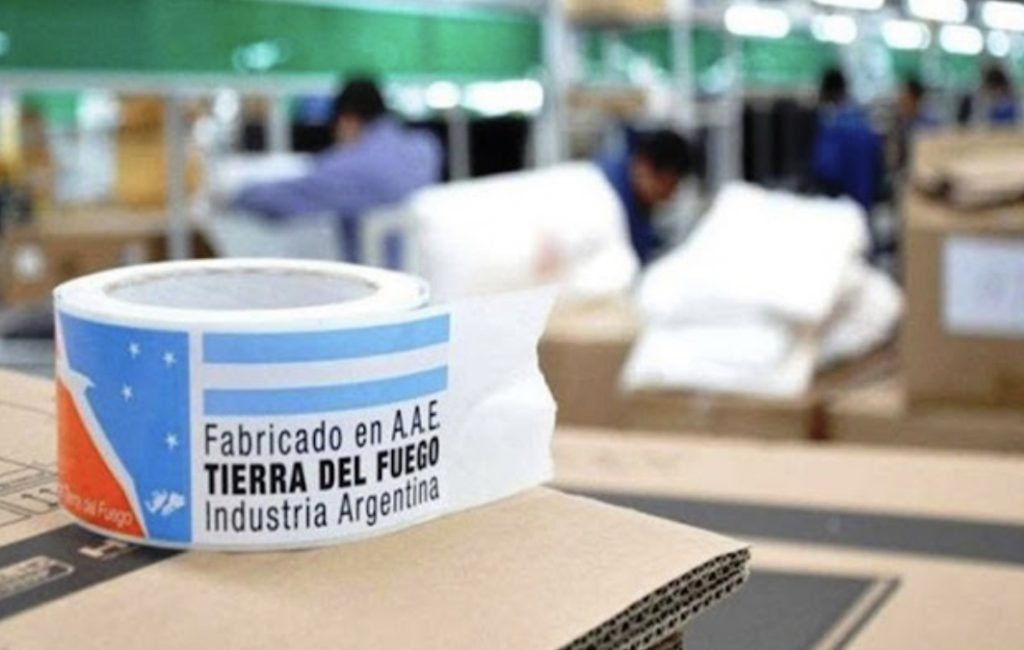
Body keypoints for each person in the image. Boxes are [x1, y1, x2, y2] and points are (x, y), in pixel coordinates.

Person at [233, 77, 442, 262]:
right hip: (423, 278)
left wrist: (234, 192)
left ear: (347, 120)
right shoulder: (425, 147)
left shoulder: (351, 167)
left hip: (374, 282)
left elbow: (278, 201)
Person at [597, 128, 691, 265]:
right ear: (645, 166)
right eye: (668, 185)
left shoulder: (636, 198)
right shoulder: (608, 195)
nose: (669, 196)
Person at [810, 67, 882, 215]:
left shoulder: (832, 126)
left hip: (842, 208)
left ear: (826, 92)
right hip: (865, 203)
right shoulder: (864, 121)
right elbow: (878, 164)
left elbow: (825, 170)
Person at [894, 77, 939, 171]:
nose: (900, 98)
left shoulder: (930, 125)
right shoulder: (898, 123)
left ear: (915, 97)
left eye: (904, 95)